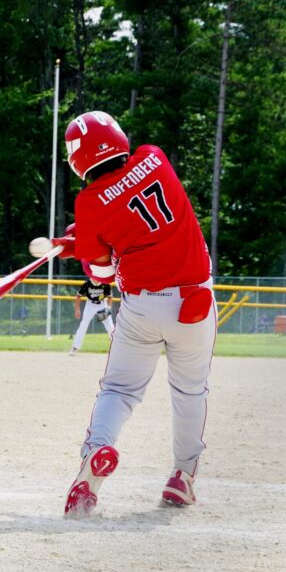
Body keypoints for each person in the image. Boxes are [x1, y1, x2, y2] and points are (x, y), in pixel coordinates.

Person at [56, 110, 215, 517]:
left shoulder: (88, 202)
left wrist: (79, 246)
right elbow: (136, 214)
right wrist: (84, 238)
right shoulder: (154, 156)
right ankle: (183, 476)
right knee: (190, 391)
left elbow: (103, 269)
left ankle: (93, 464)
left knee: (120, 391)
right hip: (193, 303)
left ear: (77, 160)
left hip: (142, 306)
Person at [68, 279, 115, 355]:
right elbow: (78, 296)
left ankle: (116, 348)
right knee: (83, 325)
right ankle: (75, 347)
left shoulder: (105, 283)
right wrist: (77, 309)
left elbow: (110, 297)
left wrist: (108, 308)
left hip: (102, 304)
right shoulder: (87, 284)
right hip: (90, 305)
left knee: (110, 326)